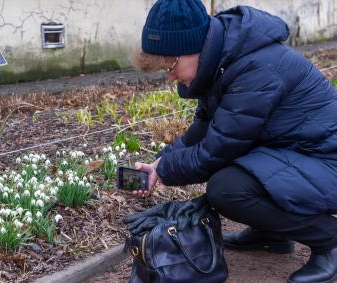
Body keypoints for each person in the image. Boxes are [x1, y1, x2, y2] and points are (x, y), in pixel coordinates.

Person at [132, 0, 337, 283]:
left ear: (194, 47)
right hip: (298, 154)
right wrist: (162, 160)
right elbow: (204, 128)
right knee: (232, 173)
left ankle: (329, 240)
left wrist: (166, 170)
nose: (170, 76)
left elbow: (218, 149)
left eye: (171, 65)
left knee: (227, 189)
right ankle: (272, 234)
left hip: (327, 162)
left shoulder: (254, 69)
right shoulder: (223, 61)